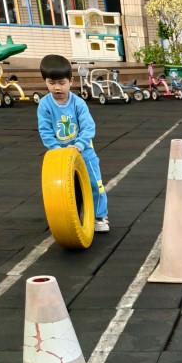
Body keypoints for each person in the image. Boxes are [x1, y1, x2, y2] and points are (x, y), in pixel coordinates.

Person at [37, 54, 109, 233]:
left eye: (61, 83)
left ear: (71, 81)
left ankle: (99, 216)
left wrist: (80, 144)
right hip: (61, 156)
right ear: (45, 82)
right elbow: (45, 131)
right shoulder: (45, 105)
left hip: (84, 152)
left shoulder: (78, 103)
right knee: (66, 189)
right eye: (51, 83)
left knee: (95, 184)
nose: (57, 87)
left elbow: (88, 126)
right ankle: (71, 217)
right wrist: (56, 149)